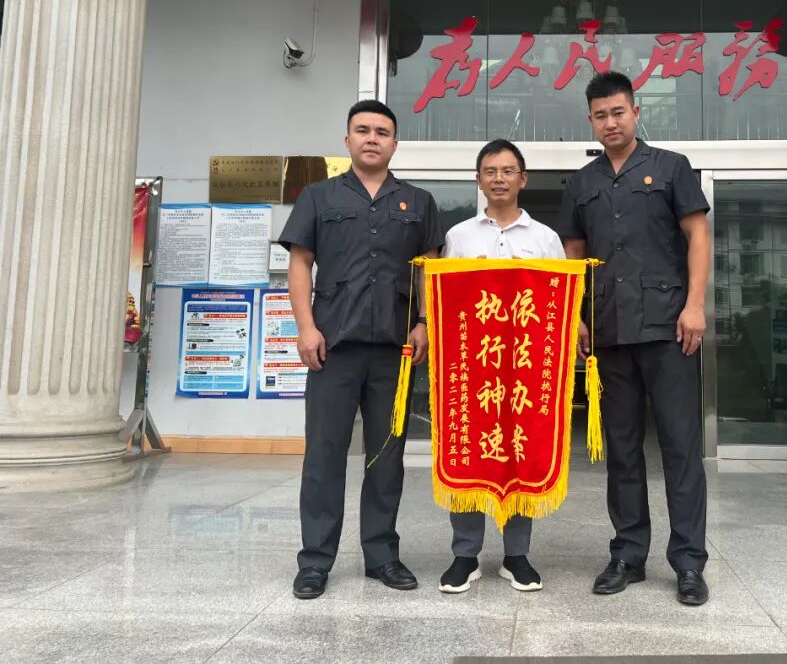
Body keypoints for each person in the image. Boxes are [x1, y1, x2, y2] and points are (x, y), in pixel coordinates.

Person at [279, 99, 444, 600]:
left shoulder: (417, 201)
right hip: (332, 347)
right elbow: (300, 264)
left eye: (382, 132)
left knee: (387, 457)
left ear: (395, 144)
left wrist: (423, 322)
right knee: (324, 455)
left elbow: (427, 269)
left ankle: (382, 556)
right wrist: (305, 328)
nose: (372, 139)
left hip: (394, 351)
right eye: (363, 130)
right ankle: (315, 561)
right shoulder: (318, 196)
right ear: (347, 140)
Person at [558, 71, 711, 606]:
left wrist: (695, 305)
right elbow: (573, 255)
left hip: (670, 329)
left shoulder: (671, 167)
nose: (610, 122)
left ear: (636, 112)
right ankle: (627, 554)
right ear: (590, 120)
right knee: (622, 449)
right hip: (609, 332)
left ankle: (688, 562)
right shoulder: (582, 183)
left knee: (680, 447)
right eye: (600, 115)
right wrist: (575, 316)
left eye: (618, 112)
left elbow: (698, 236)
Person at [438, 139, 565, 594]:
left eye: (508, 171)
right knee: (467, 451)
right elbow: (443, 300)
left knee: (519, 452)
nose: (499, 179)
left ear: (522, 179)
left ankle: (517, 555)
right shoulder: (459, 236)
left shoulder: (545, 238)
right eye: (490, 171)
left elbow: (560, 302)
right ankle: (464, 555)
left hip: (524, 368)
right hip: (471, 366)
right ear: (478, 180)